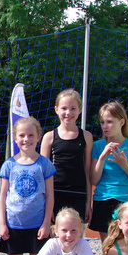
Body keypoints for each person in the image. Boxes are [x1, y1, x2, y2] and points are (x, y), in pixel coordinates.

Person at [0, 115, 56, 255]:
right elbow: (2, 195)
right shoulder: (9, 165)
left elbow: (50, 195)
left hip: (37, 224)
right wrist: (2, 224)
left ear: (38, 137)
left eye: (31, 135)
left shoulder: (44, 164)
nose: (26, 139)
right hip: (14, 224)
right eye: (22, 135)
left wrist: (46, 223)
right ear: (15, 138)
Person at [88, 101, 128, 234]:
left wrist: (124, 165)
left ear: (121, 122)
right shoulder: (97, 146)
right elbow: (94, 180)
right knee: (107, 244)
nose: (105, 126)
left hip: (126, 200)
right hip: (102, 198)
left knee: (124, 243)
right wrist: (102, 157)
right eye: (102, 122)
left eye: (109, 122)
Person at [40, 88, 93, 224]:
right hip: (55, 194)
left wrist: (88, 202)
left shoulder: (86, 137)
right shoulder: (49, 137)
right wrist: (47, 203)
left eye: (73, 108)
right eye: (64, 108)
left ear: (79, 110)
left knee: (75, 234)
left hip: (78, 195)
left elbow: (87, 171)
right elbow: (43, 174)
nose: (68, 113)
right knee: (55, 234)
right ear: (56, 109)